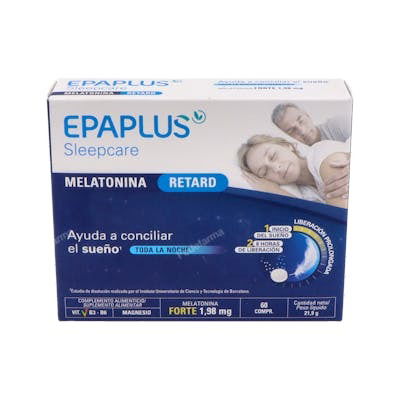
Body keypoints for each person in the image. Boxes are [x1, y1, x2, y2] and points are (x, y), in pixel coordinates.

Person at [237, 135, 350, 208]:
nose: (276, 168)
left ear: (287, 145)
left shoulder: (321, 153)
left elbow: (337, 220)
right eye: (265, 172)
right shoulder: (306, 194)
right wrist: (275, 192)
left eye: (273, 156)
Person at [271, 103, 351, 200]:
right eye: (291, 130)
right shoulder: (307, 159)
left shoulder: (340, 123)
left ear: (307, 115)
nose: (302, 131)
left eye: (301, 121)